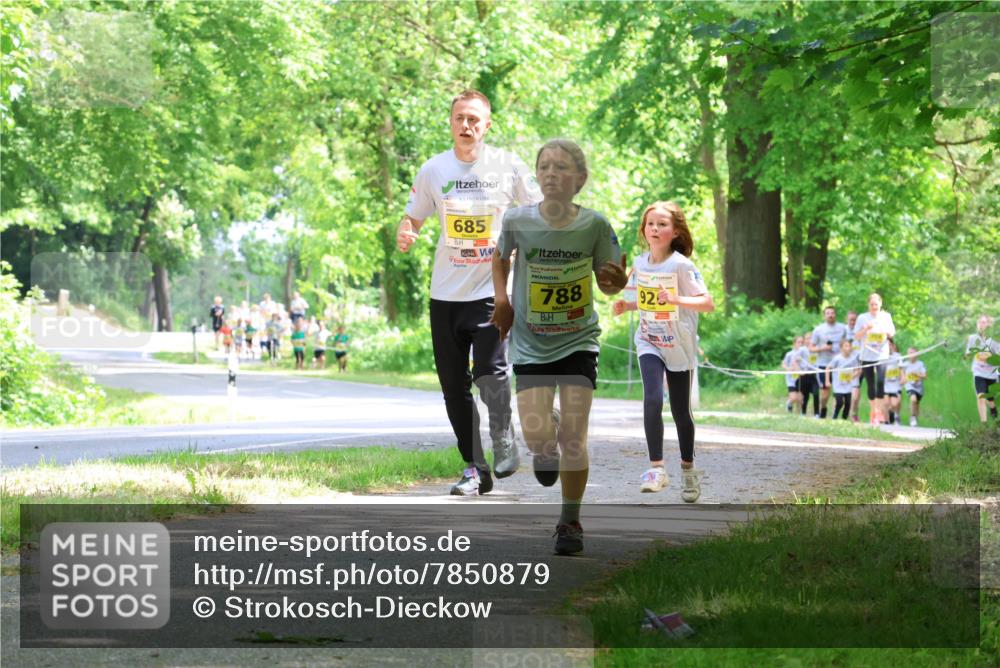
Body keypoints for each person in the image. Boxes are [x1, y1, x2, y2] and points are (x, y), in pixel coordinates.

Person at [397, 89, 542, 495]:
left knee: (489, 373)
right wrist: (407, 231)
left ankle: (503, 439)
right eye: (460, 117)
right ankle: (474, 468)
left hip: (492, 290)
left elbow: (539, 210)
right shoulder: (433, 170)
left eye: (474, 119)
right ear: (451, 122)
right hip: (445, 293)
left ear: (487, 125)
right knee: (453, 385)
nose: (467, 125)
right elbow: (414, 217)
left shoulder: (507, 165)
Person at [491, 138, 627, 554]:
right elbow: (499, 259)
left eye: (562, 167)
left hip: (578, 341)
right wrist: (502, 300)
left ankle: (570, 522)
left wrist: (615, 281)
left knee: (574, 436)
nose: (552, 173)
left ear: (580, 179)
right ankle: (542, 443)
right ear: (536, 174)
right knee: (538, 437)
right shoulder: (517, 219)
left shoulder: (595, 225)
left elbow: (611, 280)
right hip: (531, 344)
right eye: (545, 166)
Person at [611, 200, 714, 500]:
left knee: (682, 412)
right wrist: (628, 304)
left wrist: (677, 299)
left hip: (679, 344)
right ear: (644, 229)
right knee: (653, 398)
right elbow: (646, 299)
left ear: (675, 231)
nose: (655, 229)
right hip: (649, 339)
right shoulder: (640, 263)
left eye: (662, 224)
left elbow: (707, 303)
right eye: (650, 224)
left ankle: (688, 469)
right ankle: (656, 467)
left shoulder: (682, 265)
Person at [854, 293, 896, 424]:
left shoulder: (886, 317)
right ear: (868, 305)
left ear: (880, 304)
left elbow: (892, 332)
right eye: (871, 304)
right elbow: (856, 336)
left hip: (882, 354)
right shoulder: (862, 318)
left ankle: (879, 412)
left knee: (880, 382)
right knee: (870, 384)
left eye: (876, 304)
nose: (874, 307)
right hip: (866, 355)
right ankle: (874, 412)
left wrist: (886, 332)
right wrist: (866, 329)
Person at [810, 306, 849, 418]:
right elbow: (811, 348)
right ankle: (823, 410)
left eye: (832, 313)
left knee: (839, 392)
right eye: (828, 313)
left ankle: (835, 415)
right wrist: (823, 348)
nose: (830, 315)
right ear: (824, 315)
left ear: (835, 315)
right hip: (823, 364)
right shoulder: (818, 330)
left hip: (839, 365)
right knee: (825, 392)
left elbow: (848, 344)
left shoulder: (843, 328)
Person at [965, 315, 999, 422]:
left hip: (992, 374)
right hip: (978, 372)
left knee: (990, 399)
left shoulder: (995, 340)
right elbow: (967, 353)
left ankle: (993, 409)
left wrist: (988, 357)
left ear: (989, 325)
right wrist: (970, 354)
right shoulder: (972, 338)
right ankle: (983, 424)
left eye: (983, 322)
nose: (981, 324)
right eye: (979, 322)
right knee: (980, 396)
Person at [826, 339, 859, 420]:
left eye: (849, 346)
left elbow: (858, 370)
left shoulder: (853, 359)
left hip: (848, 385)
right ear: (841, 348)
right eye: (846, 346)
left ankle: (844, 419)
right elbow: (828, 368)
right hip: (838, 386)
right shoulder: (837, 359)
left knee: (848, 403)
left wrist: (852, 376)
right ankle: (835, 416)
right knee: (840, 402)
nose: (848, 348)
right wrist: (827, 381)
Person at [845, 310, 863, 422]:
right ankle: (843, 413)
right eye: (850, 320)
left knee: (856, 393)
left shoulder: (861, 332)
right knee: (843, 392)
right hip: (845, 365)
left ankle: (854, 413)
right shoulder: (843, 330)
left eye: (854, 320)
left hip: (859, 364)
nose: (852, 322)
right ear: (847, 320)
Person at [797, 332, 820, 418]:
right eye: (807, 338)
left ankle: (817, 414)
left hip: (814, 375)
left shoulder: (816, 349)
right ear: (804, 340)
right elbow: (797, 361)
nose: (809, 340)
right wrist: (799, 370)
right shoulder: (802, 349)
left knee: (816, 393)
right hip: (804, 375)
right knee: (805, 396)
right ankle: (803, 412)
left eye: (811, 338)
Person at [903, 347, 927, 426]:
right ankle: (912, 417)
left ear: (917, 354)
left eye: (912, 353)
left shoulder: (920, 364)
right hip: (910, 386)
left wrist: (917, 375)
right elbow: (902, 378)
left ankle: (915, 418)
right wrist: (905, 379)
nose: (910, 355)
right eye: (909, 353)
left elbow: (925, 376)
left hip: (919, 387)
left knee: (916, 403)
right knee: (913, 399)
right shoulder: (905, 364)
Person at [882, 340, 904, 425]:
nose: (888, 347)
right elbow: (877, 369)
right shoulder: (881, 357)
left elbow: (901, 369)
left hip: (895, 384)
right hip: (885, 385)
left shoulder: (898, 356)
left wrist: (903, 377)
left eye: (890, 345)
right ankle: (887, 420)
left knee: (894, 404)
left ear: (892, 346)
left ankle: (895, 415)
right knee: (886, 403)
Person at [782, 336, 804, 414]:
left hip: (800, 378)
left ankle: (800, 414)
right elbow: (783, 364)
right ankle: (789, 404)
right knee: (794, 397)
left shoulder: (804, 354)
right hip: (791, 379)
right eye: (798, 342)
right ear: (794, 343)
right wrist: (789, 369)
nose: (800, 344)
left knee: (800, 398)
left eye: (802, 342)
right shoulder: (789, 354)